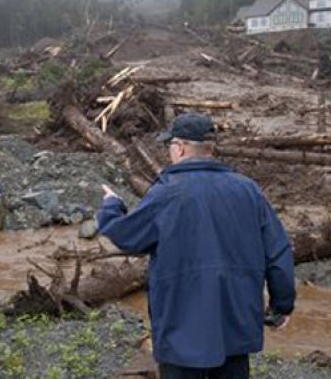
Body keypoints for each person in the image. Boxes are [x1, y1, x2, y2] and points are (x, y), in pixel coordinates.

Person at [96, 112, 295, 379]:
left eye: (170, 145)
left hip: (181, 330)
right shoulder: (248, 190)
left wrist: (111, 206)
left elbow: (126, 236)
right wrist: (282, 305)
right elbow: (279, 253)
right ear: (210, 148)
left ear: (179, 147)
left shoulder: (167, 192)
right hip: (235, 324)